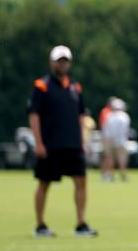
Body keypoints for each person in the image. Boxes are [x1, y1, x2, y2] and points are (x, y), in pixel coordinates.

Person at [28, 45, 97, 238]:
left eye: (65, 61)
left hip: (73, 144)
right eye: (59, 61)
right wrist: (38, 142)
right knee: (44, 183)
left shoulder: (75, 87)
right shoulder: (42, 86)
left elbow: (81, 115)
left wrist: (83, 140)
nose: (62, 64)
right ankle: (40, 224)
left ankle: (81, 223)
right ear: (52, 62)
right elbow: (34, 115)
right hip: (50, 144)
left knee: (81, 181)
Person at [101, 98, 131, 182]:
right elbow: (125, 130)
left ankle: (110, 175)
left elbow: (106, 130)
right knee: (122, 158)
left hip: (110, 140)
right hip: (121, 140)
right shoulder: (124, 116)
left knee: (110, 158)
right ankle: (123, 175)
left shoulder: (110, 116)